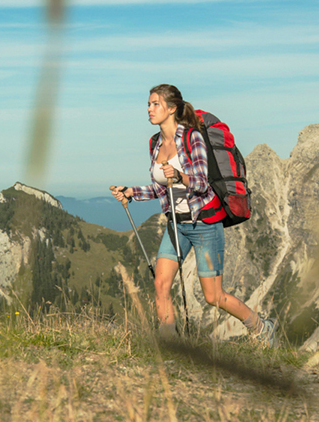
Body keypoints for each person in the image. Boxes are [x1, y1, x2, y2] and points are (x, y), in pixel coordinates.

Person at [110, 84, 277, 347]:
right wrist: (131, 192)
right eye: (149, 104)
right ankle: (169, 345)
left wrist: (178, 176)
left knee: (214, 296)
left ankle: (261, 328)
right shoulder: (155, 143)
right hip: (176, 225)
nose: (149, 109)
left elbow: (201, 184)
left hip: (205, 223)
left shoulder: (191, 138)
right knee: (161, 285)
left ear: (172, 108)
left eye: (155, 104)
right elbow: (159, 187)